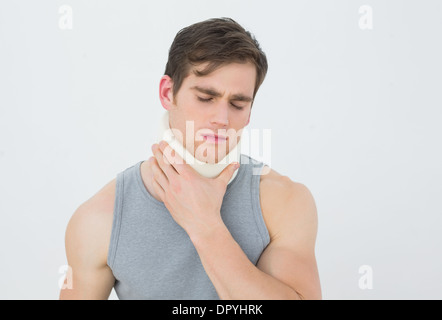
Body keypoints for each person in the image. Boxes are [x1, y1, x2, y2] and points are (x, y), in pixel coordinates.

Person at [59, 17, 321, 300]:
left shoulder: (285, 201)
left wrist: (205, 225)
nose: (222, 119)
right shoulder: (99, 219)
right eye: (206, 98)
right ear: (167, 93)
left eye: (237, 103)